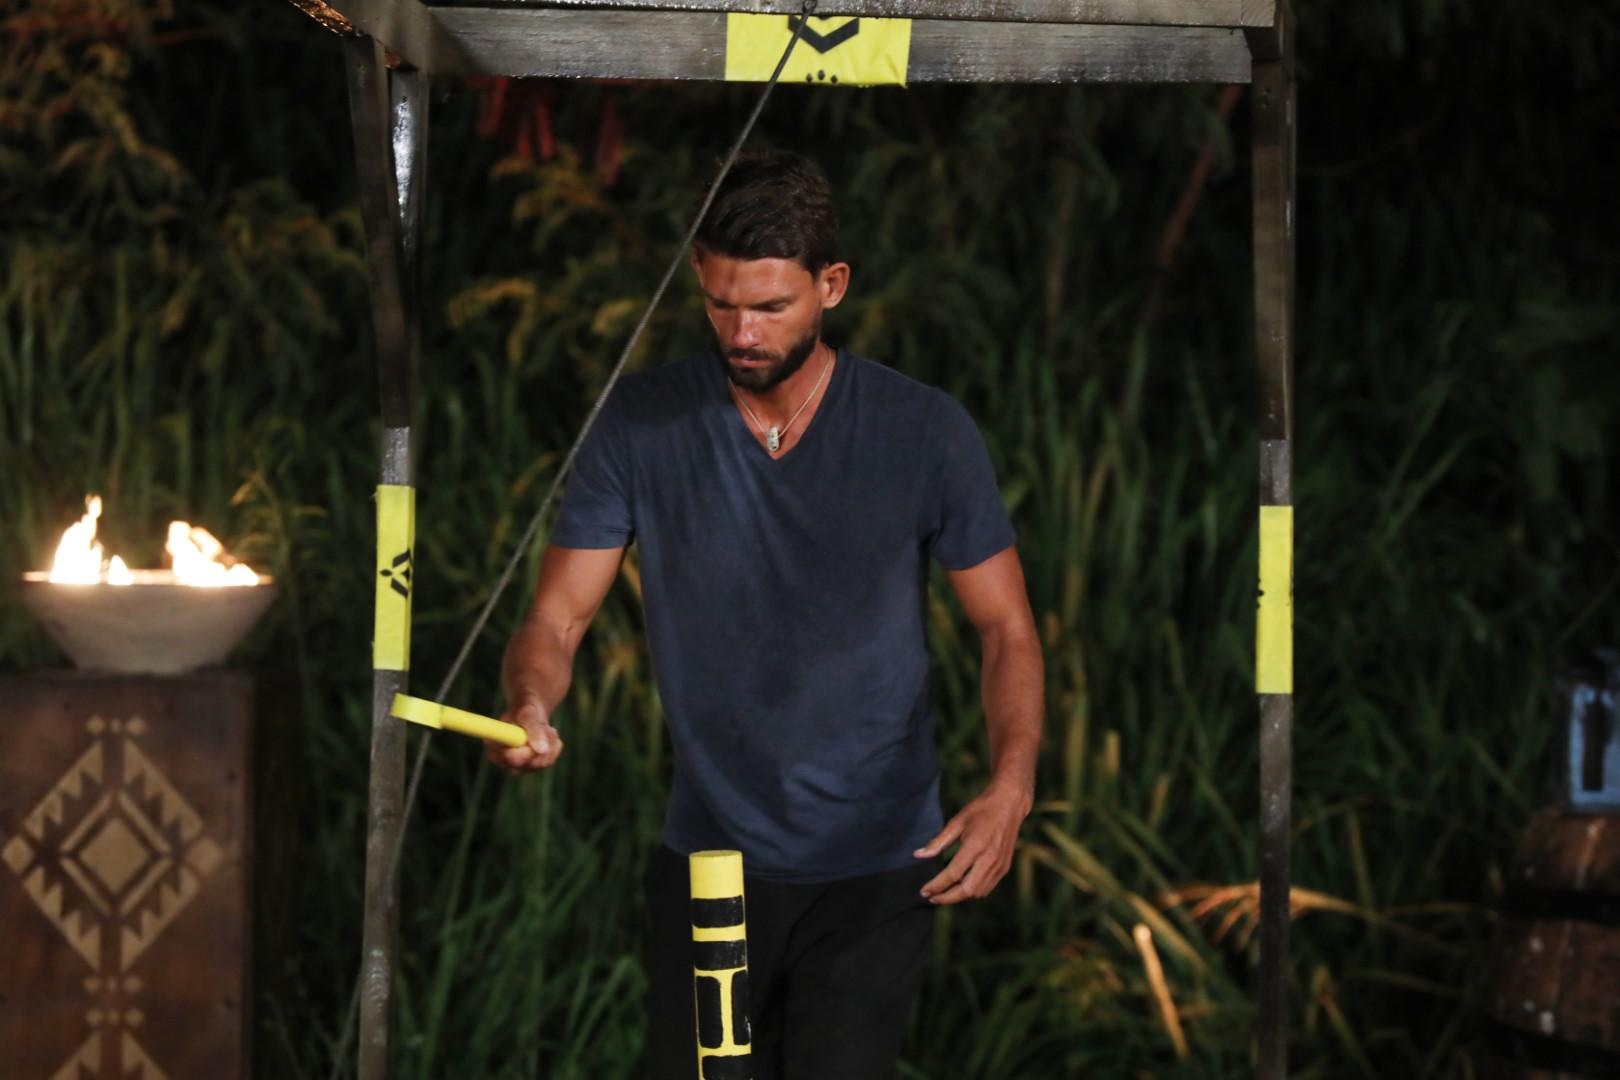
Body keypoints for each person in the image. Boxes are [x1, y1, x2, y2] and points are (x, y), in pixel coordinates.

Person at [489, 149, 1044, 1079]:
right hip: (708, 859)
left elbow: (1007, 631)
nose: (742, 332)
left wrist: (1011, 787)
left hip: (878, 862)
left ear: (832, 285)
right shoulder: (640, 421)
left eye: (771, 306)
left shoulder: (923, 430)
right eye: (720, 303)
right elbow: (557, 621)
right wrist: (530, 702)